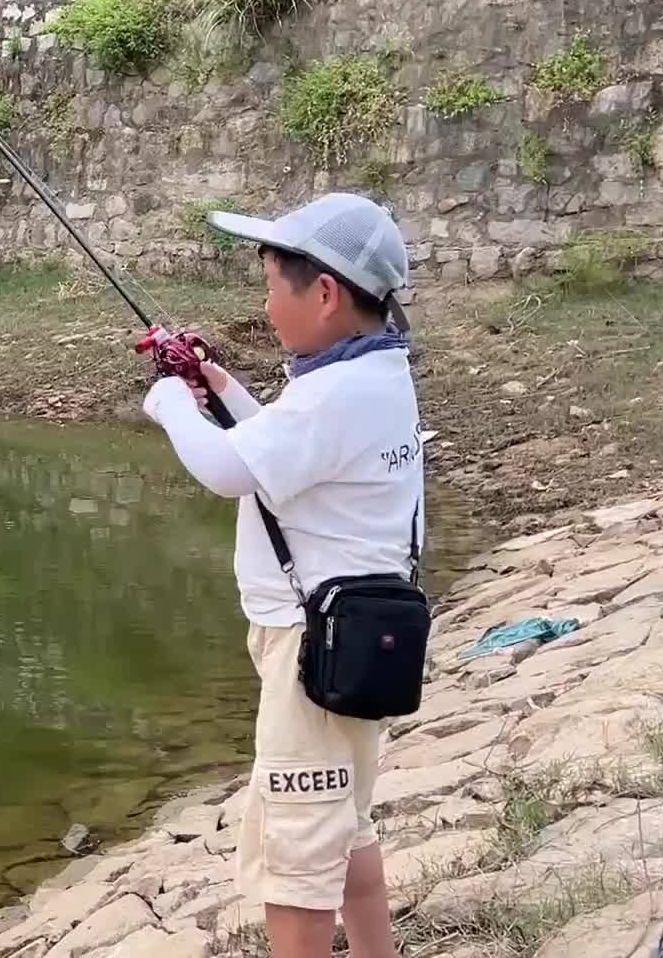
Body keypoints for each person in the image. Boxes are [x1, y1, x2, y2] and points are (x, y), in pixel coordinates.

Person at [139, 191, 424, 958]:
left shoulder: (334, 393)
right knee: (345, 831)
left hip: (311, 657)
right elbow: (283, 447)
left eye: (272, 287)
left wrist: (171, 403)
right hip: (351, 643)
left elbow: (233, 470)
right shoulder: (374, 373)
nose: (265, 307)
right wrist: (219, 387)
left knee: (297, 868)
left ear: (325, 293)